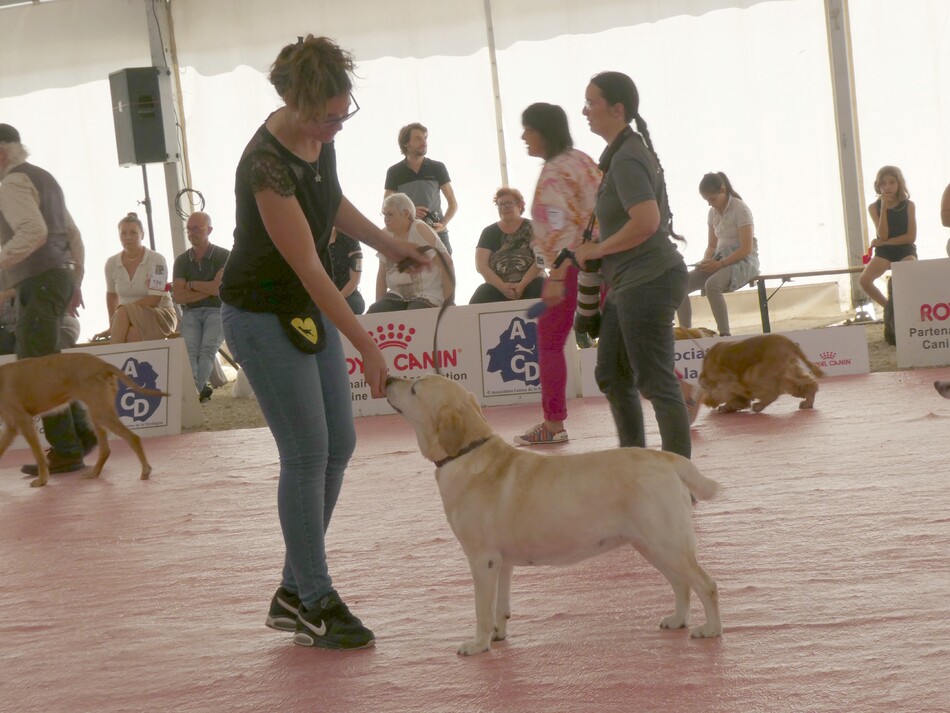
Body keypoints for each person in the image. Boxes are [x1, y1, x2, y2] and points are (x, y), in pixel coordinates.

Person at [218, 35, 430, 651]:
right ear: (298, 101)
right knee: (307, 452)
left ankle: (293, 590)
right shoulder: (264, 163)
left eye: (345, 112)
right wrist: (367, 343)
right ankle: (314, 598)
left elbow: (329, 201)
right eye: (329, 116)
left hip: (304, 307)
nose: (338, 125)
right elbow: (310, 267)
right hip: (258, 315)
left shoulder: (317, 139)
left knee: (341, 443)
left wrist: (392, 244)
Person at [573, 72, 691, 459]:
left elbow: (647, 222)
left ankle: (676, 480)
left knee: (655, 383)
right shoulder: (624, 154)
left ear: (617, 109)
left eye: (591, 102)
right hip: (631, 282)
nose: (585, 110)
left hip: (647, 280)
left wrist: (596, 249)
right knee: (612, 374)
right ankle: (635, 469)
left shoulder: (625, 158)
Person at [0, 123, 97, 476]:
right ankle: (80, 437)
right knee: (48, 365)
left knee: (34, 372)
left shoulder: (10, 183)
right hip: (55, 278)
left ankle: (68, 450)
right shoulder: (44, 177)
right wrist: (75, 279)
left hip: (39, 281)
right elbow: (72, 233)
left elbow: (34, 232)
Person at [512, 103, 600, 446]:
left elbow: (562, 230)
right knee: (631, 338)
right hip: (604, 261)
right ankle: (683, 390)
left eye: (528, 129)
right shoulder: (581, 160)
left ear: (544, 131)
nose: (523, 136)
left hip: (573, 266)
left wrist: (559, 277)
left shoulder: (553, 174)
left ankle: (553, 424)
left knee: (548, 341)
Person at [676, 172, 759, 337]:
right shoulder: (712, 213)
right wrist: (706, 261)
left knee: (712, 285)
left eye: (712, 200)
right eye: (707, 201)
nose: (710, 204)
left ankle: (725, 334)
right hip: (720, 259)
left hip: (742, 260)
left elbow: (746, 248)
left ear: (723, 190)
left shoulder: (740, 208)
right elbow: (712, 246)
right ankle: (685, 334)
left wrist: (719, 264)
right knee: (680, 284)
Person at [172, 211, 230, 402]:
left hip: (218, 311)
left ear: (209, 230)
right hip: (191, 312)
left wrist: (191, 284)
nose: (191, 232)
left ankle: (192, 394)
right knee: (189, 350)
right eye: (188, 229)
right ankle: (197, 391)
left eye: (196, 228)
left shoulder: (224, 256)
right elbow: (179, 296)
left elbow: (221, 291)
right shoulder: (181, 260)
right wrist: (210, 288)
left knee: (207, 350)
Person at [95, 212, 177, 343]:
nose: (128, 237)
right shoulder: (111, 263)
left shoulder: (157, 260)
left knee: (123, 311)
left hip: (159, 314)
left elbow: (155, 299)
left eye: (133, 232)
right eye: (124, 233)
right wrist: (113, 326)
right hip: (125, 318)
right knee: (133, 334)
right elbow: (111, 296)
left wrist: (124, 310)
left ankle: (112, 360)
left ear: (142, 234)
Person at [366, 192, 453, 313]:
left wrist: (449, 302)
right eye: (384, 214)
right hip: (398, 295)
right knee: (375, 311)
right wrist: (377, 308)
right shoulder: (385, 234)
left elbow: (447, 263)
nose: (385, 219)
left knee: (414, 313)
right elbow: (382, 274)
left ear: (406, 213)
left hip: (427, 295)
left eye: (390, 214)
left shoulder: (419, 229)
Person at [384, 122, 458, 254]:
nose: (424, 142)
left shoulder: (438, 167)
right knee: (409, 273)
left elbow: (453, 203)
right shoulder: (394, 172)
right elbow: (386, 207)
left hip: (437, 233)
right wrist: (410, 212)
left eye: (425, 138)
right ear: (406, 143)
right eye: (418, 138)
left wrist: (443, 224)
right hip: (407, 233)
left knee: (445, 272)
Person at [469, 187, 544, 304]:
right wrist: (503, 288)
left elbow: (541, 260)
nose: (504, 207)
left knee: (542, 285)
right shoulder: (489, 232)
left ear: (520, 205)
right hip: (499, 287)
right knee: (482, 293)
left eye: (508, 203)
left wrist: (522, 285)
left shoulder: (534, 227)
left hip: (530, 283)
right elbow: (481, 265)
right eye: (500, 204)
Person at [859, 165, 916, 307]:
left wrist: (884, 243)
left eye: (892, 182)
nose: (887, 187)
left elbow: (910, 237)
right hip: (885, 252)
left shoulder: (908, 205)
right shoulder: (874, 207)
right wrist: (884, 207)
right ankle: (889, 308)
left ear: (899, 184)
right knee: (864, 280)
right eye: (883, 183)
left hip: (905, 249)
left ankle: (907, 305)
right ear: (878, 186)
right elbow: (882, 235)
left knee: (908, 270)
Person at [328, 228, 365, 314]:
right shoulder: (314, 239)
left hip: (347, 294)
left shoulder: (350, 238)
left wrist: (336, 300)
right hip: (320, 294)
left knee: (354, 305)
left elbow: (355, 279)